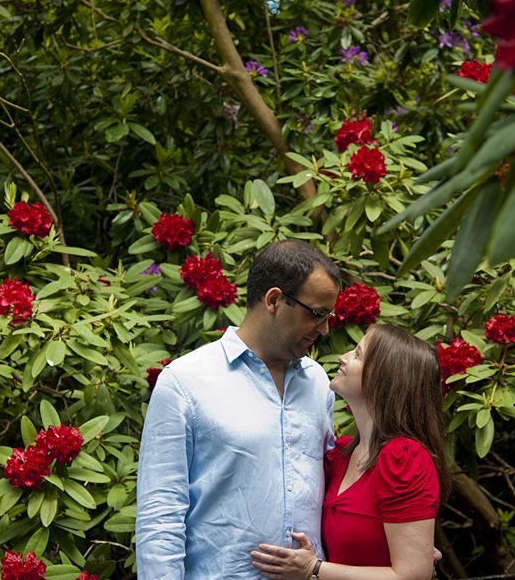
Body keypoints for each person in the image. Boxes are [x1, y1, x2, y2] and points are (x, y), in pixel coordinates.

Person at [135, 239, 341, 578]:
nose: (325, 328)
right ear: (274, 300)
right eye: (316, 314)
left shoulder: (318, 382)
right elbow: (161, 518)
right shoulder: (185, 382)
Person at [249, 324, 450, 580]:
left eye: (357, 354)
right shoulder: (342, 454)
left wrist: (313, 569)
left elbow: (411, 576)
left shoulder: (404, 458)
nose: (343, 357)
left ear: (384, 376)